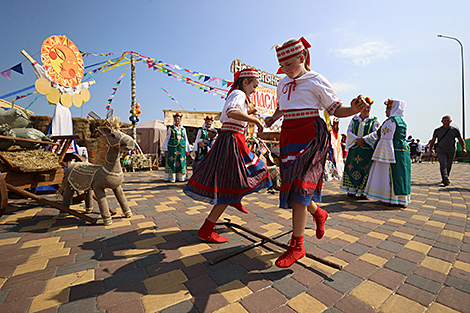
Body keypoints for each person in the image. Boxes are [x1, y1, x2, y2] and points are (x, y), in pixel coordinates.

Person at [264, 37, 367, 268]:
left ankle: (297, 245)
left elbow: (335, 109)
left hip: (311, 134)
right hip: (289, 133)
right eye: (283, 66)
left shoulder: (316, 80)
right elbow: (283, 106)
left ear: (302, 58)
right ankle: (318, 213)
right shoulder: (282, 84)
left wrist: (353, 109)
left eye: (290, 64)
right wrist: (274, 117)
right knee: (294, 188)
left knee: (300, 186)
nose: (286, 70)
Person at [184, 68, 272, 243]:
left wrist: (248, 114)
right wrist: (254, 120)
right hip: (232, 140)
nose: (255, 90)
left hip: (232, 139)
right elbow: (231, 112)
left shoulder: (237, 94)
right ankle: (208, 227)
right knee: (253, 173)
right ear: (245, 82)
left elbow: (232, 115)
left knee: (236, 177)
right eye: (254, 86)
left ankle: (234, 197)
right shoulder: (238, 93)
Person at [361, 99, 411, 207]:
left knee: (390, 174)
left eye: (387, 108)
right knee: (401, 174)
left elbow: (384, 137)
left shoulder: (390, 121)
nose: (385, 111)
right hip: (402, 151)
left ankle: (390, 199)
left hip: (391, 151)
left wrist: (378, 152)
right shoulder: (402, 121)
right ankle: (400, 199)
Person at [341, 97, 380, 199]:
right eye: (365, 107)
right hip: (354, 148)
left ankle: (364, 192)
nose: (367, 109)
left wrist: (365, 139)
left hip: (366, 150)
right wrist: (356, 139)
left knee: (365, 169)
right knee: (352, 167)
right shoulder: (354, 119)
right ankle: (352, 190)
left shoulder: (374, 120)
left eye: (368, 107)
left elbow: (376, 133)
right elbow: (349, 131)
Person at [429, 115, 467, 186]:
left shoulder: (454, 130)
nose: (446, 122)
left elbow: (460, 139)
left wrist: (463, 148)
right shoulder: (437, 130)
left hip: (451, 150)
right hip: (441, 150)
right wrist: (430, 149)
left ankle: (446, 177)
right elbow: (433, 140)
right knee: (443, 164)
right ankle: (445, 178)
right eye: (445, 120)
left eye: (448, 120)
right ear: (441, 121)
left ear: (450, 121)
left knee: (449, 165)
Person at [162, 112, 190, 182]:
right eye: (176, 119)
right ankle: (172, 177)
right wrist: (165, 147)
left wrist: (187, 149)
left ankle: (181, 177)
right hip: (172, 147)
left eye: (178, 119)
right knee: (172, 160)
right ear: (174, 120)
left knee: (181, 160)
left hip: (181, 147)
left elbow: (186, 139)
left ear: (181, 120)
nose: (177, 120)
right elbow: (167, 138)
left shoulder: (183, 129)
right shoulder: (171, 128)